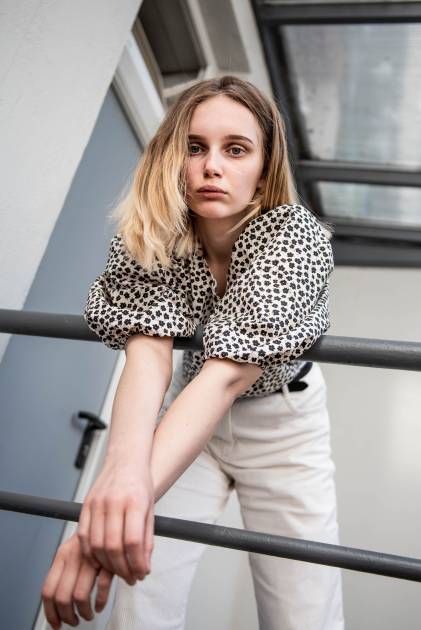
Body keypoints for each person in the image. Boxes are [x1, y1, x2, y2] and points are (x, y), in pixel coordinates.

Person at [41, 75, 344, 630]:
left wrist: (93, 532)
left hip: (282, 422)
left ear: (264, 168)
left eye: (236, 149)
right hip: (188, 406)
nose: (212, 166)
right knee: (139, 596)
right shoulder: (155, 230)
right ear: (172, 157)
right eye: (195, 147)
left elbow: (227, 376)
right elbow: (149, 354)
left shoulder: (294, 237)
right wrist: (117, 487)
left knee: (303, 610)